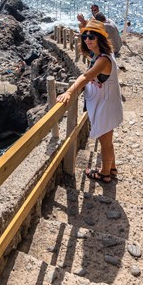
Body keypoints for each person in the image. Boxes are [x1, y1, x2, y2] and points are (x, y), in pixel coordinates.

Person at [57, 18, 123, 183]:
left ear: (99, 39)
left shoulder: (103, 60)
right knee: (107, 141)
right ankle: (112, 168)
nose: (87, 39)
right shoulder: (101, 54)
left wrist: (70, 91)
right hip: (108, 104)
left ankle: (105, 174)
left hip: (105, 107)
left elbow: (86, 76)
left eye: (92, 36)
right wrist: (83, 25)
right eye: (85, 36)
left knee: (105, 143)